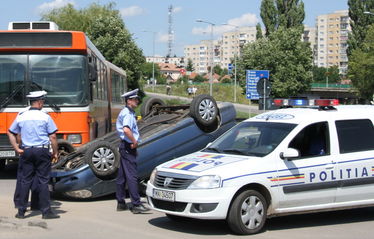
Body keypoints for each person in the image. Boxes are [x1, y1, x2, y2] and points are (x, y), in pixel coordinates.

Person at [7, 90, 60, 219]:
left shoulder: (21, 116)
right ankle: (46, 211)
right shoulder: (45, 117)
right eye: (43, 101)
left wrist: (16, 148)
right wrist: (55, 152)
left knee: (25, 180)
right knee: (43, 180)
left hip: (26, 151)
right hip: (41, 151)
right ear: (40, 102)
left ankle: (21, 211)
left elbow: (10, 132)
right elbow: (52, 136)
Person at [115, 89, 150, 214]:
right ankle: (136, 204)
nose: (137, 101)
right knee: (132, 176)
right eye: (135, 99)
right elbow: (126, 130)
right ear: (129, 101)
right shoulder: (128, 114)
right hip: (128, 146)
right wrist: (134, 141)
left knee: (122, 176)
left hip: (124, 145)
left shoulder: (125, 112)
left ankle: (120, 202)